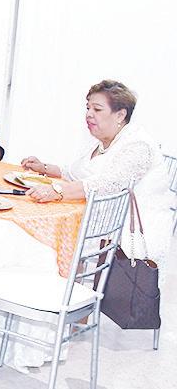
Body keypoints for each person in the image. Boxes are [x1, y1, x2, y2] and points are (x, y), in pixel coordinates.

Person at [20, 80, 169, 269]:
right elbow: (76, 173)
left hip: (124, 242)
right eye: (88, 107)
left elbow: (108, 184)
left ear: (120, 115)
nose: (89, 114)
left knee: (37, 246)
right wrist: (44, 168)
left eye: (97, 109)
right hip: (93, 225)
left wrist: (57, 190)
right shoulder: (102, 140)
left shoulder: (138, 145)